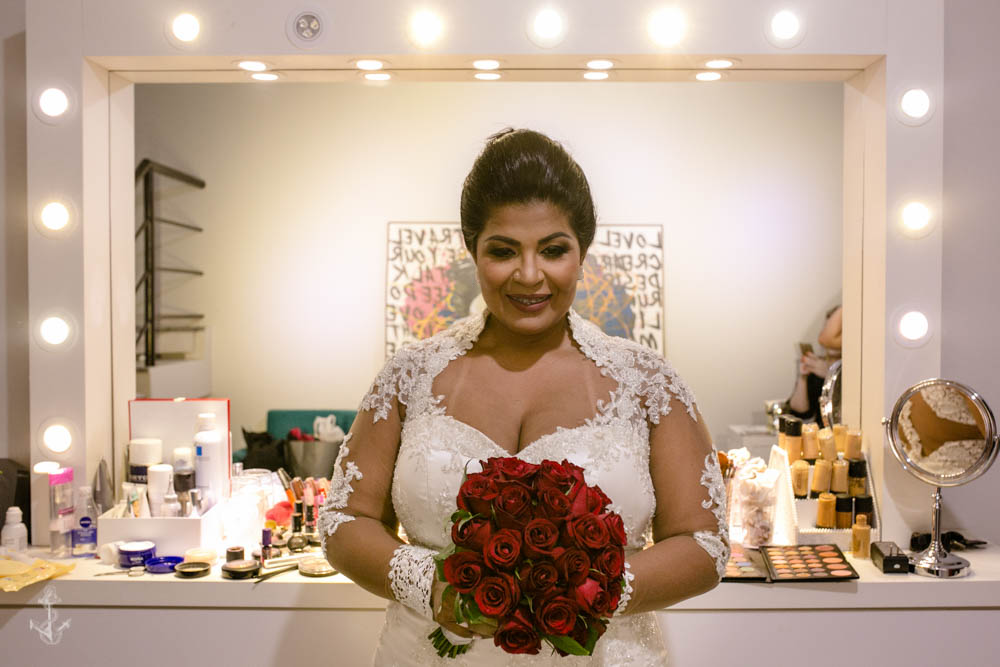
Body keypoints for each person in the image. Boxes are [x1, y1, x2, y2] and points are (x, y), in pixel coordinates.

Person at [319, 129, 728, 665]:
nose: (530, 275)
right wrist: (434, 586)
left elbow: (703, 543)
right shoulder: (409, 376)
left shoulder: (647, 383)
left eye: (553, 250)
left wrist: (589, 590)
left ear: (582, 251)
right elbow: (344, 521)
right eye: (503, 251)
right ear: (472, 251)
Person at [785, 305, 842, 424]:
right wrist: (803, 378)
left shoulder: (852, 369)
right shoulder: (816, 366)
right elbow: (799, 413)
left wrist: (830, 375)